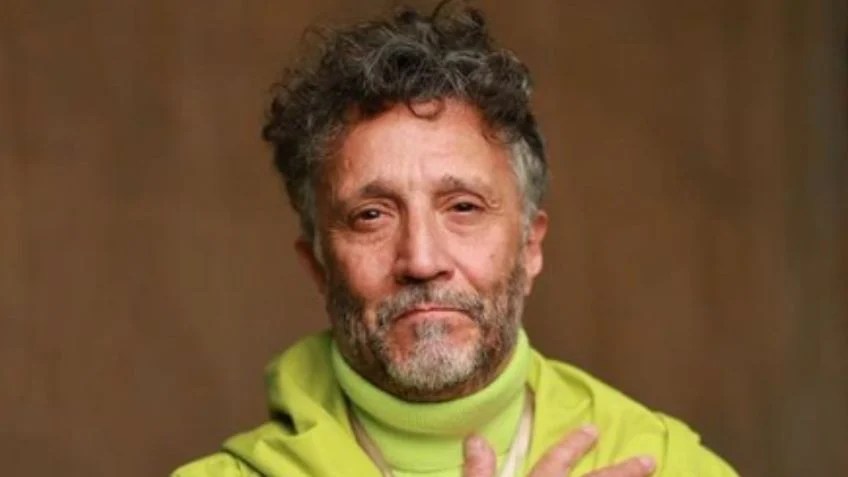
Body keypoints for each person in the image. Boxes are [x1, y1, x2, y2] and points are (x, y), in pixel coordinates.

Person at [173, 2, 738, 476]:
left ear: (530, 245)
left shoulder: (665, 466)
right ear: (318, 266)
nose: (421, 260)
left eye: (463, 207)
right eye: (371, 215)